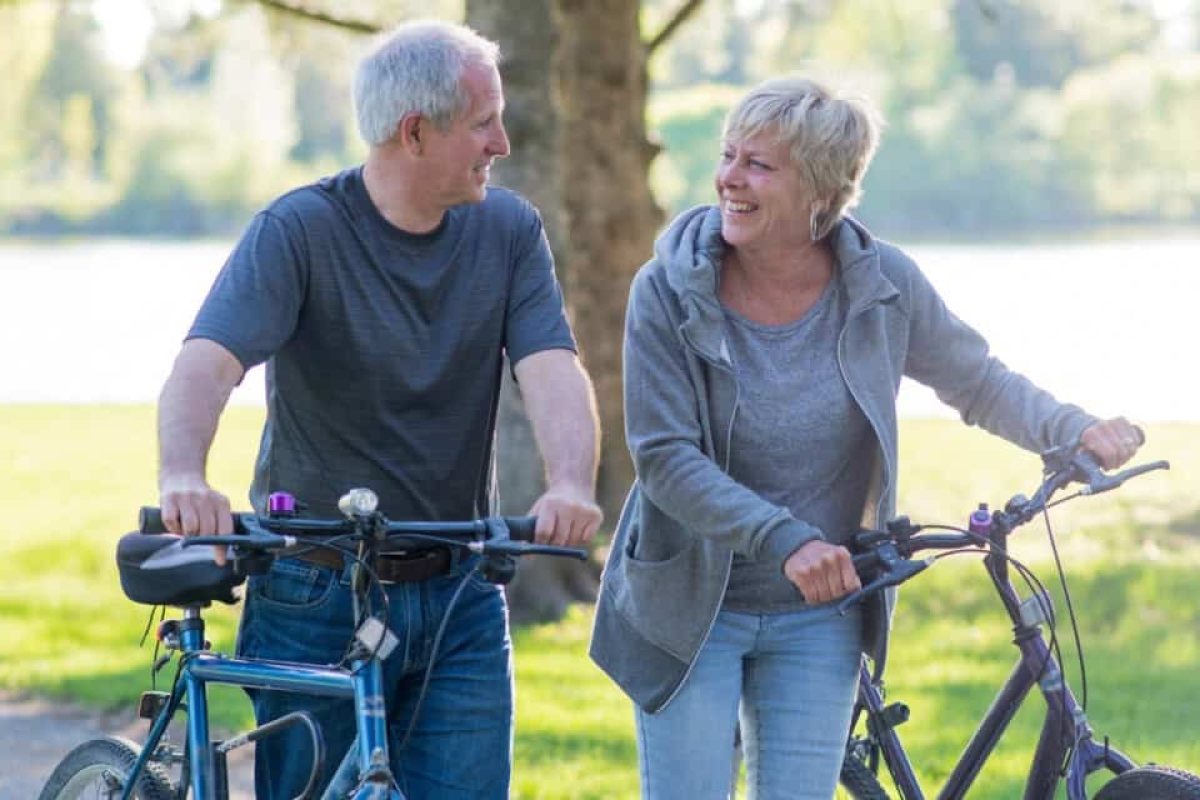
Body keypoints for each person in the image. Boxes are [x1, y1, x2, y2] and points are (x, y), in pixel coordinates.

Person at [589, 76, 1143, 800]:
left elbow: (976, 381)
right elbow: (664, 457)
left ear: (821, 189)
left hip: (821, 614)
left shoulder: (882, 285)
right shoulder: (665, 291)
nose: (728, 177)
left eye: (758, 164)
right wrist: (785, 539)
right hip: (692, 606)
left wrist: (1072, 428)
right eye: (730, 155)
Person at [156, 20, 602, 799]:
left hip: (462, 587)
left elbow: (552, 368)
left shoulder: (509, 231)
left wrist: (570, 482)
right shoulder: (299, 231)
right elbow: (207, 363)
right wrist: (183, 474)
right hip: (317, 590)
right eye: (483, 122)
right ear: (416, 133)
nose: (501, 139)